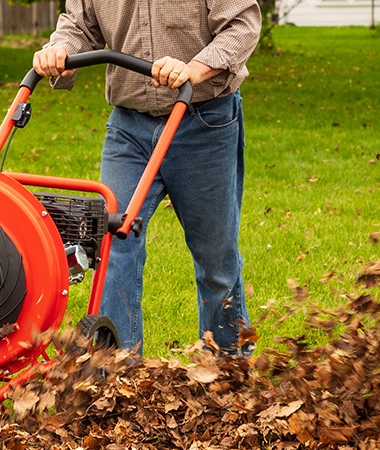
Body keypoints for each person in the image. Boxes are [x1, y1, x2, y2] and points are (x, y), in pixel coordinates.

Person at [32, 0, 261, 356]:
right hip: (130, 127)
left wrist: (193, 69)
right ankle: (118, 373)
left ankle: (229, 367)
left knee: (216, 257)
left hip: (204, 122)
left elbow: (242, 26)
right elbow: (79, 25)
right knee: (114, 244)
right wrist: (59, 50)